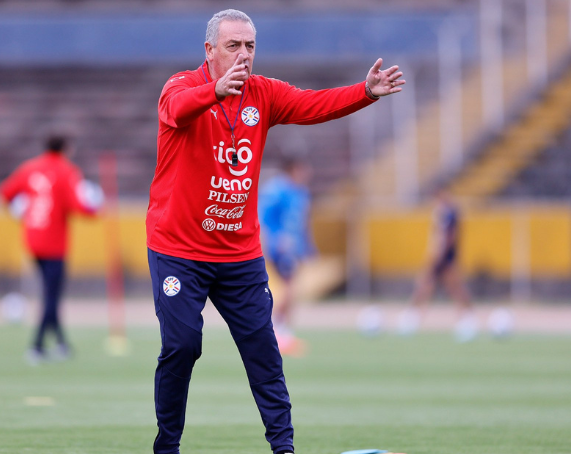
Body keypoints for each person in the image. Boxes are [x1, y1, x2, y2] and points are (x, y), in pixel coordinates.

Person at [146, 9, 405, 454]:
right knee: (183, 345)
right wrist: (214, 91)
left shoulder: (262, 94)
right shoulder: (181, 86)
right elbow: (175, 110)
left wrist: (364, 93)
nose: (243, 54)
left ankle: (283, 447)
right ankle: (167, 447)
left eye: (250, 46)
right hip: (179, 251)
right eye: (233, 45)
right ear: (209, 50)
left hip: (239, 255)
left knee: (264, 351)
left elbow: (313, 104)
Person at [0, 136, 103, 364]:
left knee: (50, 292)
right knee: (52, 296)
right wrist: (95, 209)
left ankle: (62, 344)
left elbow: (5, 193)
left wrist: (20, 210)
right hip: (54, 243)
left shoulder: (29, 168)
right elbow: (76, 205)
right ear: (66, 149)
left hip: (33, 239)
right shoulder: (67, 171)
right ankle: (36, 346)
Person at [399, 189, 476, 342]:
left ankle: (413, 317)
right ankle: (413, 316)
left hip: (444, 257)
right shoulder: (443, 213)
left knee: (446, 286)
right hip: (443, 256)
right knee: (432, 285)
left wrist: (438, 256)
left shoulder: (449, 213)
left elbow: (447, 237)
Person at [259, 155, 315, 356]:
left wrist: (308, 248)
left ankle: (281, 330)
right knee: (288, 290)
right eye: (303, 169)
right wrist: (272, 242)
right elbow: (262, 218)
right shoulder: (275, 190)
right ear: (293, 169)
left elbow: (302, 223)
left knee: (291, 290)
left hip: (294, 248)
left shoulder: (301, 193)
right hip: (279, 248)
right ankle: (275, 330)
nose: (307, 173)